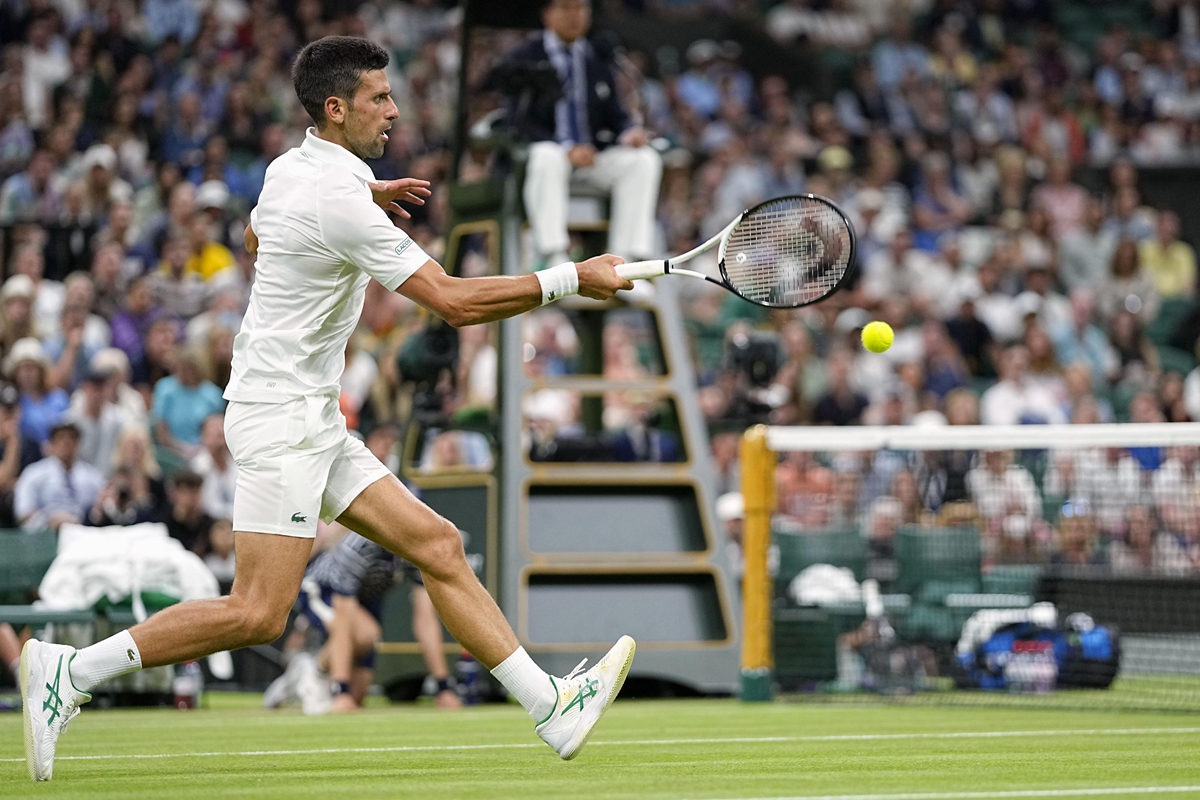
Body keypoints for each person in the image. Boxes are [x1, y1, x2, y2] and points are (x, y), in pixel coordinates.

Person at [21, 35, 635, 782]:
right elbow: (451, 302)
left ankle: (550, 708)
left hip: (306, 411)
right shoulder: (330, 194)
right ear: (336, 108)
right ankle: (69, 672)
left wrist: (354, 201)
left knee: (438, 545)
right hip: (281, 417)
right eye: (379, 98)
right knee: (257, 612)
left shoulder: (293, 170)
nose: (394, 110)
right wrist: (574, 276)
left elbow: (256, 233)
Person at [497, 0, 661, 268]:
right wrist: (565, 148)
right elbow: (518, 120)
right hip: (546, 158)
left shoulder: (596, 57)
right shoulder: (525, 55)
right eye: (566, 7)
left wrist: (628, 133)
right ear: (547, 13)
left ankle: (624, 262)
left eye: (581, 8)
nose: (575, 15)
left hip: (591, 157)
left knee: (643, 161)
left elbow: (615, 114)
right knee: (546, 155)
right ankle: (554, 256)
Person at [264, 529, 462, 715]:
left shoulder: (415, 550)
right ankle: (314, 673)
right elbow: (344, 621)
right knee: (365, 634)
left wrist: (443, 687)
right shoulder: (359, 547)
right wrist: (341, 692)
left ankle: (299, 676)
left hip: (365, 601)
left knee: (357, 695)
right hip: (322, 589)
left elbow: (425, 620)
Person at [13, 422, 105, 531]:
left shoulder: (93, 476)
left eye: (72, 438)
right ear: (51, 444)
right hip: (44, 535)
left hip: (83, 533)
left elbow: (103, 508)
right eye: (61, 438)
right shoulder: (33, 474)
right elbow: (23, 513)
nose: (67, 443)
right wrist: (49, 521)